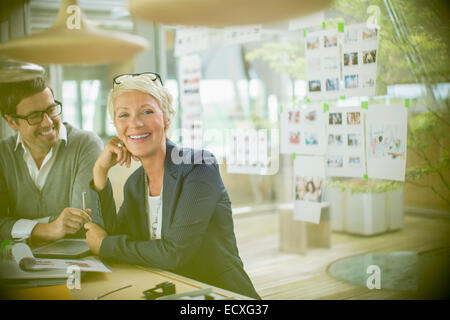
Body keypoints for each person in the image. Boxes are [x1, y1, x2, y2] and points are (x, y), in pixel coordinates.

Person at [84, 72, 261, 299]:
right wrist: (100, 172)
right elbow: (107, 238)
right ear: (116, 127)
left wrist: (106, 245)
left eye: (147, 112)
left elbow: (175, 253)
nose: (135, 123)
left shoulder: (198, 166)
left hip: (218, 294)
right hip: (165, 292)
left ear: (166, 118)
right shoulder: (135, 184)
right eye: (123, 115)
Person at [0, 77, 103, 243]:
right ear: (12, 122)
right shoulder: (3, 155)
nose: (48, 122)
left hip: (75, 263)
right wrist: (48, 229)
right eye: (34, 116)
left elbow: (82, 223)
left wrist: (16, 227)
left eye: (51, 110)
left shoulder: (86, 145)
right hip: (17, 262)